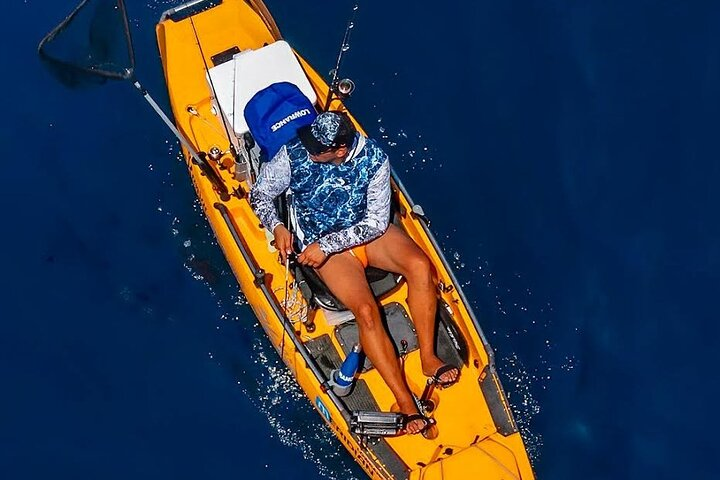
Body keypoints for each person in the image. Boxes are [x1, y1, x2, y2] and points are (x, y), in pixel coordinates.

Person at [249, 111, 459, 434]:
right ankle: (404, 400)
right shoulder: (295, 153)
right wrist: (277, 226)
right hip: (324, 248)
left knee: (420, 266)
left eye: (318, 149)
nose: (310, 151)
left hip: (364, 236)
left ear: (340, 150)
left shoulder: (374, 160)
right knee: (365, 311)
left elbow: (375, 223)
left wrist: (330, 243)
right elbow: (260, 193)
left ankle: (428, 358)